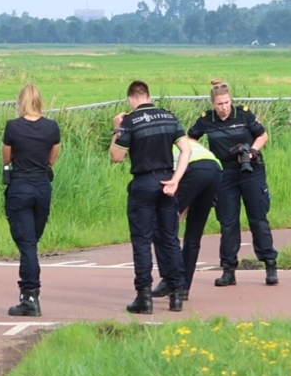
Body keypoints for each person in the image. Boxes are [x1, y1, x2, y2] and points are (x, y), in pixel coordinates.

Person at [110, 81, 190, 314]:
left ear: (130, 99)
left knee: (142, 241)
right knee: (169, 238)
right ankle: (176, 293)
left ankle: (144, 297)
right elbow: (186, 150)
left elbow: (116, 156)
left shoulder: (130, 122)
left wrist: (117, 129)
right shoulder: (168, 116)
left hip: (143, 183)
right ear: (148, 95)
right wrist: (176, 179)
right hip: (167, 181)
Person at [188, 80, 278, 286]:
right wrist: (207, 156)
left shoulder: (244, 114)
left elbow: (262, 135)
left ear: (231, 100)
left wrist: (252, 152)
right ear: (213, 103)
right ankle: (228, 269)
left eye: (226, 102)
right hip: (225, 173)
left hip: (251, 171)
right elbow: (190, 139)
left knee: (258, 218)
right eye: (219, 104)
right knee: (228, 223)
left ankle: (270, 263)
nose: (224, 107)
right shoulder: (206, 120)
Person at [2, 84, 61, 316]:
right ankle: (28, 294)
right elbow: (52, 160)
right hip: (42, 187)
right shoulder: (51, 127)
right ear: (40, 100)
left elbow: (6, 159)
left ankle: (29, 296)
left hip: (20, 186)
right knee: (31, 243)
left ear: (21, 101)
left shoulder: (12, 127)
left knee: (27, 246)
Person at [152, 137, 222, 301]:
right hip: (214, 169)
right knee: (194, 234)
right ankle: (183, 289)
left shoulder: (159, 145)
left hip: (192, 170)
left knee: (161, 227)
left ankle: (170, 279)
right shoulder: (184, 139)